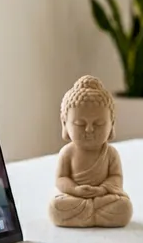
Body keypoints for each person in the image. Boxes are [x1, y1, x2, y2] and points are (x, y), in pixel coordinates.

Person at [48, 76, 132, 228]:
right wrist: (75, 189)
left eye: (98, 124)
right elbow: (61, 178)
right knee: (56, 207)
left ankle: (86, 216)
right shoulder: (67, 152)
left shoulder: (110, 153)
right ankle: (94, 215)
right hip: (75, 198)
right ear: (64, 123)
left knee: (123, 207)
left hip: (103, 197)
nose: (89, 129)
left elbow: (116, 177)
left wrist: (102, 189)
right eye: (80, 124)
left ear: (112, 124)